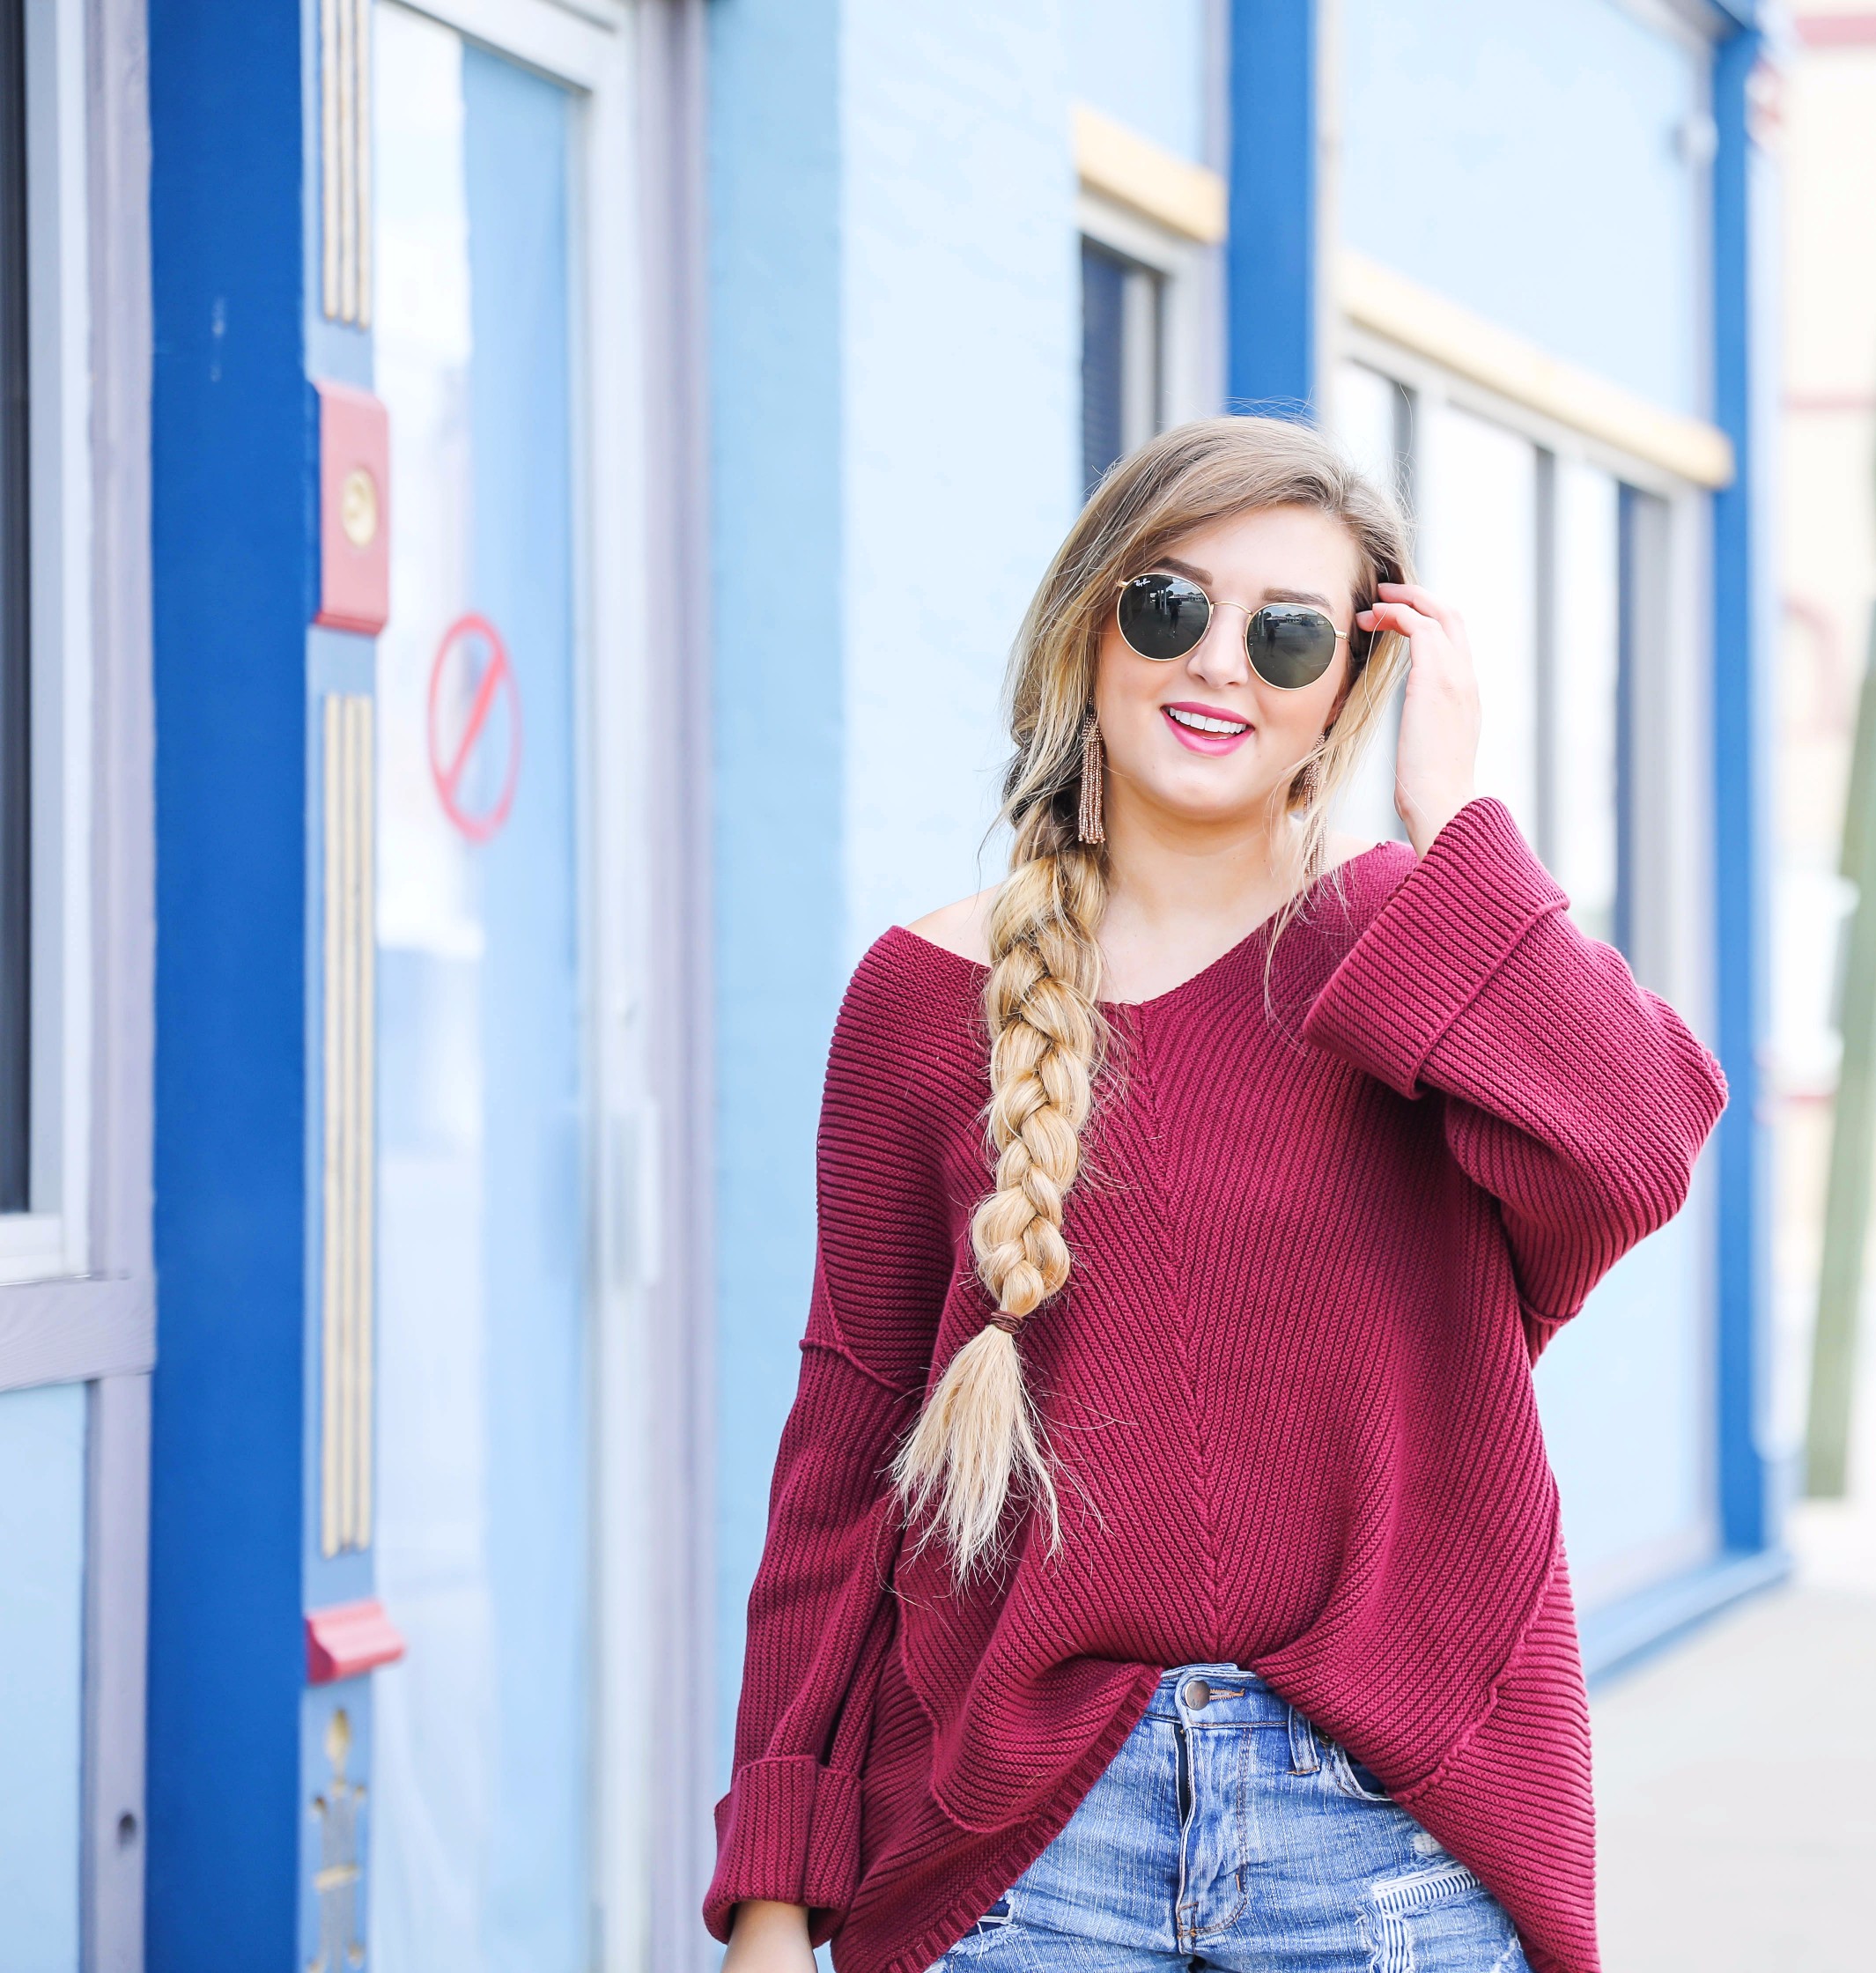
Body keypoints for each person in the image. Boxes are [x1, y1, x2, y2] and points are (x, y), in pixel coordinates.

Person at [709, 416, 1726, 1973]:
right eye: (1171, 607)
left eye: (1290, 634)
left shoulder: (1419, 960)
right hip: (1018, 1841)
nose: (1219, 666)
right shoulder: (923, 1000)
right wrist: (775, 1889)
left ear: (1345, 695)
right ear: (1093, 628)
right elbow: (848, 1452)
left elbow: (1640, 1139)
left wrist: (1455, 822)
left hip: (1389, 1834)